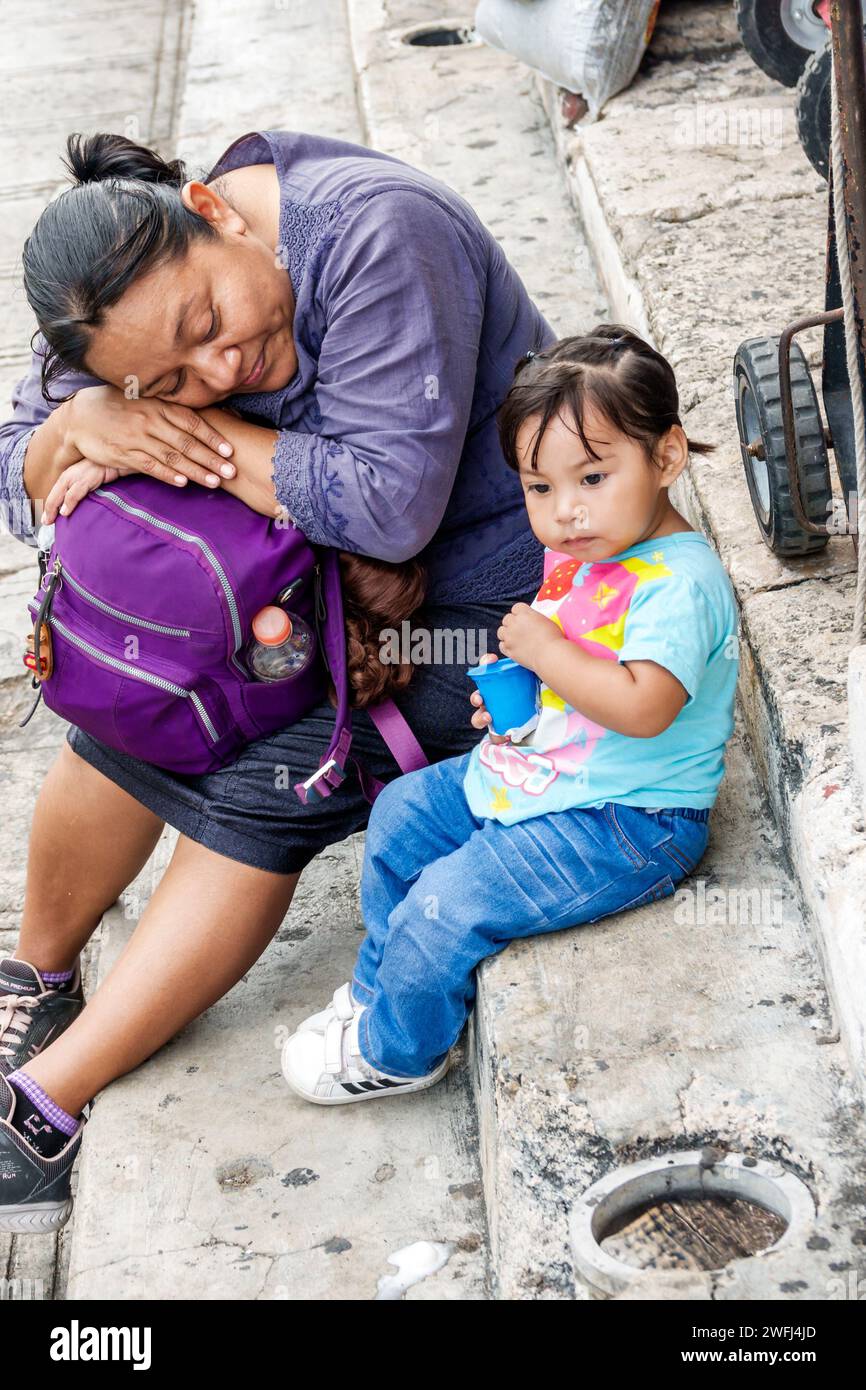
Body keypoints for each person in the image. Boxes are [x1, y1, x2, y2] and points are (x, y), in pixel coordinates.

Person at [0, 128, 555, 1232]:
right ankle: (33, 980)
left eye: (211, 328)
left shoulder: (375, 235)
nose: (214, 371)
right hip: (313, 597)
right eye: (161, 378)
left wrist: (165, 427)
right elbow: (19, 475)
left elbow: (389, 504)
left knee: (268, 778)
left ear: (216, 209)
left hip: (497, 618)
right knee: (136, 705)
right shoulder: (128, 303)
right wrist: (78, 421)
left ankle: (41, 1108)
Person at [280, 326, 740, 1104]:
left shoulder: (679, 584)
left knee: (446, 904)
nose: (566, 511)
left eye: (593, 477)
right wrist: (522, 704)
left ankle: (400, 1051)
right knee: (399, 812)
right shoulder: (591, 551)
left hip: (627, 819)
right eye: (539, 488)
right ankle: (376, 990)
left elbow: (643, 705)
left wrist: (545, 650)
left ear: (666, 457)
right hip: (547, 773)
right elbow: (579, 670)